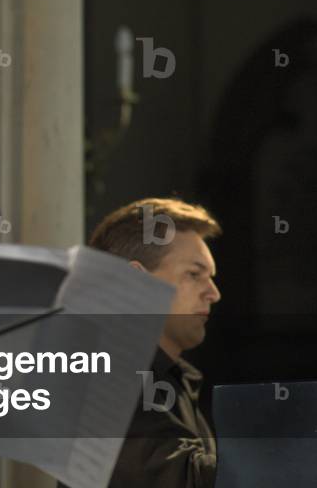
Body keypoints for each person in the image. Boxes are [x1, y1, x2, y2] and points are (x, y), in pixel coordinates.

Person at [89, 197, 222, 488]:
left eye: (210, 277)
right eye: (194, 274)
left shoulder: (177, 378)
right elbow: (183, 480)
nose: (213, 293)